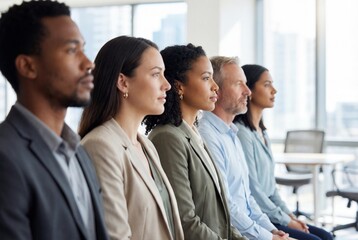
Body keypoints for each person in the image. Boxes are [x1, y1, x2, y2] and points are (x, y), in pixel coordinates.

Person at [0, 1, 109, 240]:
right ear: (28, 66)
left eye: (83, 48)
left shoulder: (77, 150)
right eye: (72, 50)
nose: (88, 63)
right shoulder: (5, 156)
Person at [78, 36, 184, 240]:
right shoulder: (100, 146)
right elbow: (114, 235)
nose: (167, 85)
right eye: (156, 75)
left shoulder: (146, 146)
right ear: (123, 82)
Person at [144, 44, 246, 240]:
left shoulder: (194, 133)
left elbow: (221, 218)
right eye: (206, 78)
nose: (215, 87)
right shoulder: (168, 138)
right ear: (179, 86)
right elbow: (185, 221)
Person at [233, 64, 333, 240]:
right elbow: (254, 190)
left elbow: (271, 189)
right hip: (261, 218)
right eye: (266, 85)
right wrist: (284, 220)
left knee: (326, 235)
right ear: (249, 89)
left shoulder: (262, 133)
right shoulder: (242, 133)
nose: (274, 90)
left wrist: (290, 216)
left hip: (273, 214)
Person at [198, 56, 291, 240]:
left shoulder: (232, 134)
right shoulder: (208, 135)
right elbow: (227, 206)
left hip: (252, 230)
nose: (248, 92)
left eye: (246, 84)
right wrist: (268, 237)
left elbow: (248, 199)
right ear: (217, 89)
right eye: (239, 84)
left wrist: (271, 230)